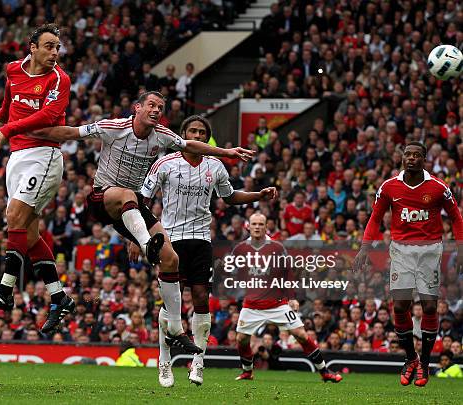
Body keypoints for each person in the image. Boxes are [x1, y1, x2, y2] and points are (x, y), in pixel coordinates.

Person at [25, 91, 254, 351]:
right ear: (137, 108)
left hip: (133, 205)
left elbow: (190, 146)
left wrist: (226, 152)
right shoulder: (113, 127)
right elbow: (70, 133)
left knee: (171, 259)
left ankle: (177, 330)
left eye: (161, 107)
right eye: (152, 105)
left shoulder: (163, 135)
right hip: (103, 198)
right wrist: (29, 131)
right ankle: (146, 243)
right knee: (126, 195)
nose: (156, 110)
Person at [139, 115, 278, 387]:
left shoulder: (215, 166)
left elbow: (229, 197)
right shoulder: (165, 163)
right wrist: (138, 237)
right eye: (192, 130)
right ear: (182, 134)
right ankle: (165, 360)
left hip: (201, 239)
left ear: (207, 136)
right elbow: (143, 199)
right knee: (171, 302)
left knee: (201, 297)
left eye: (202, 132)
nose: (198, 135)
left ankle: (198, 362)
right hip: (169, 238)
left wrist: (257, 196)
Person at [0, 24, 75, 333]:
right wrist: (4, 114)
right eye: (48, 46)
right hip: (17, 157)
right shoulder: (13, 69)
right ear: (32, 48)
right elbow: (9, 95)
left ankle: (5, 291)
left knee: (13, 215)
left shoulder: (60, 80)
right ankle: (59, 297)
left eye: (57, 47)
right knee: (28, 234)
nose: (55, 52)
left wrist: (5, 129)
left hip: (44, 156)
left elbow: (46, 117)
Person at [354, 142, 463, 387]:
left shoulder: (438, 187)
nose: (411, 158)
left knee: (429, 307)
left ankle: (424, 362)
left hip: (429, 250)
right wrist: (365, 247)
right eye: (407, 154)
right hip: (401, 250)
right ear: (402, 158)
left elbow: (456, 217)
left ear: (424, 159)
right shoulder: (389, 187)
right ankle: (410, 358)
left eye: (416, 155)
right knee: (401, 306)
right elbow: (375, 218)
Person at [232, 213, 342, 383]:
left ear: (266, 226)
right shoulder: (240, 249)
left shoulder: (276, 247)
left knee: (301, 335)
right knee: (241, 339)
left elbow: (288, 273)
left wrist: (292, 297)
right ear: (248, 226)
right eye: (254, 224)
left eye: (261, 224)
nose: (257, 227)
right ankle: (247, 371)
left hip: (277, 304)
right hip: (252, 306)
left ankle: (325, 372)